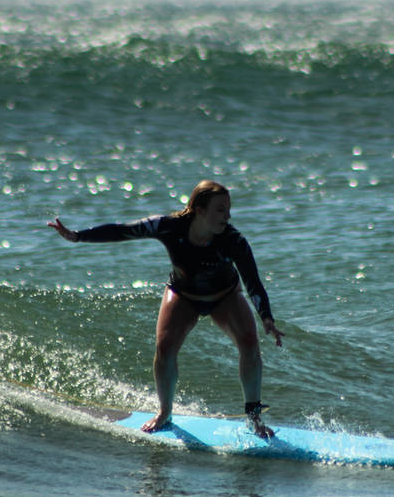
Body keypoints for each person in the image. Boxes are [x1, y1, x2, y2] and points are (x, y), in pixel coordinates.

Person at [48, 180, 284, 438]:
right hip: (183, 294)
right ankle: (164, 412)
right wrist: (78, 236)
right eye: (220, 209)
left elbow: (253, 281)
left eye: (229, 209)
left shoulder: (233, 240)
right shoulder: (169, 227)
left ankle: (254, 418)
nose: (228, 216)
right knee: (166, 347)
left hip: (225, 296)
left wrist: (267, 318)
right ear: (199, 210)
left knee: (249, 343)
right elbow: (123, 230)